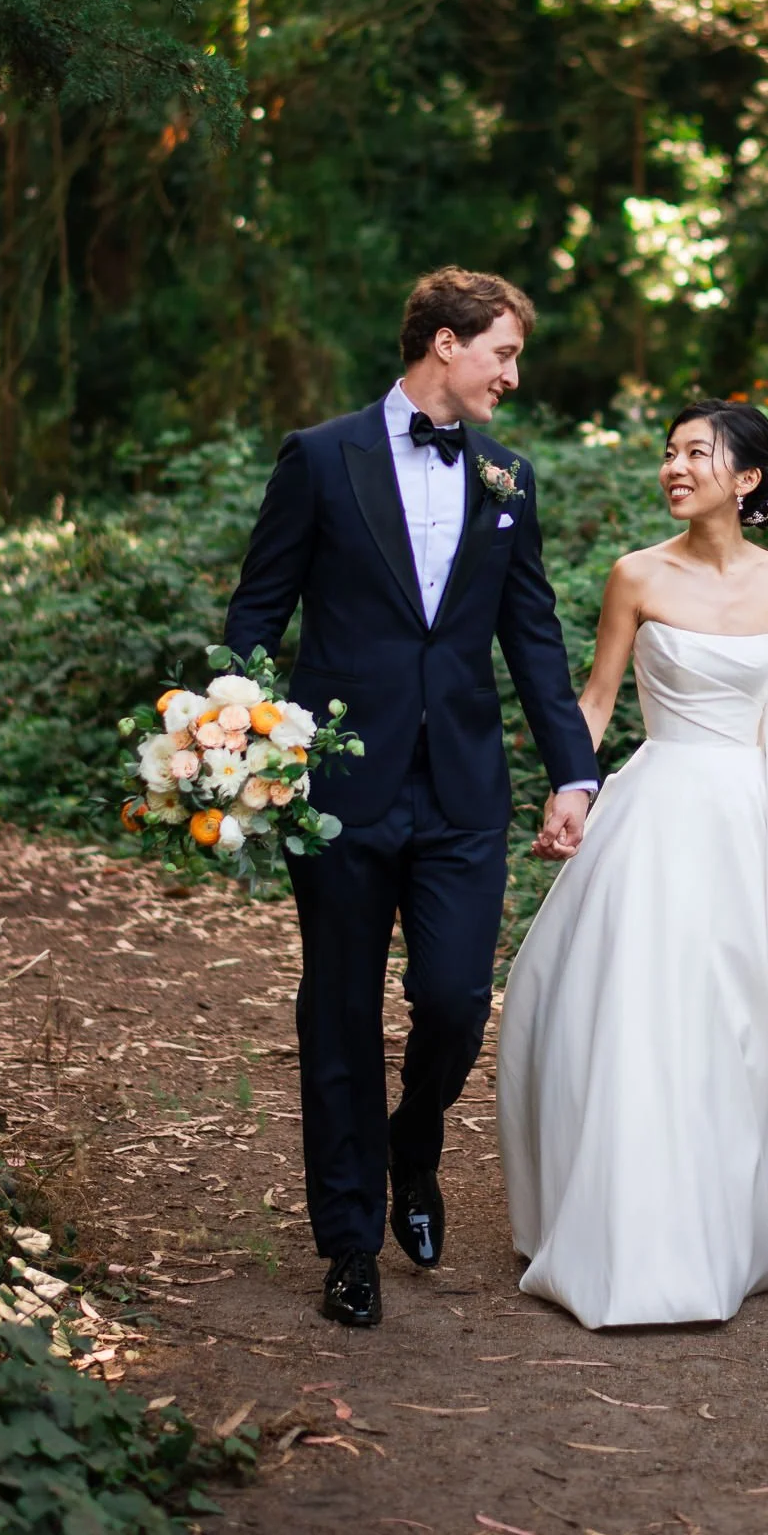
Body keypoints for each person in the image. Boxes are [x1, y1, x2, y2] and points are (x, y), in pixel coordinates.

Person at [224, 267, 598, 1328]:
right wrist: (237, 733)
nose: (511, 377)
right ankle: (348, 1241)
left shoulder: (507, 480)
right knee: (339, 1010)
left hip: (462, 792)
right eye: (502, 354)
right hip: (336, 792)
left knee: (452, 1000)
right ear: (444, 343)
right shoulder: (319, 457)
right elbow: (256, 612)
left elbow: (531, 634)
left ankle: (413, 1137)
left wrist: (571, 769)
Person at [498, 400, 768, 1330]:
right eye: (669, 452)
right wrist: (572, 789)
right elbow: (598, 697)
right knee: (640, 1006)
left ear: (749, 478)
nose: (674, 467)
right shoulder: (635, 575)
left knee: (745, 1018)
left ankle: (731, 1221)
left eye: (697, 452)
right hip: (660, 810)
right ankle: (623, 1223)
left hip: (757, 823)